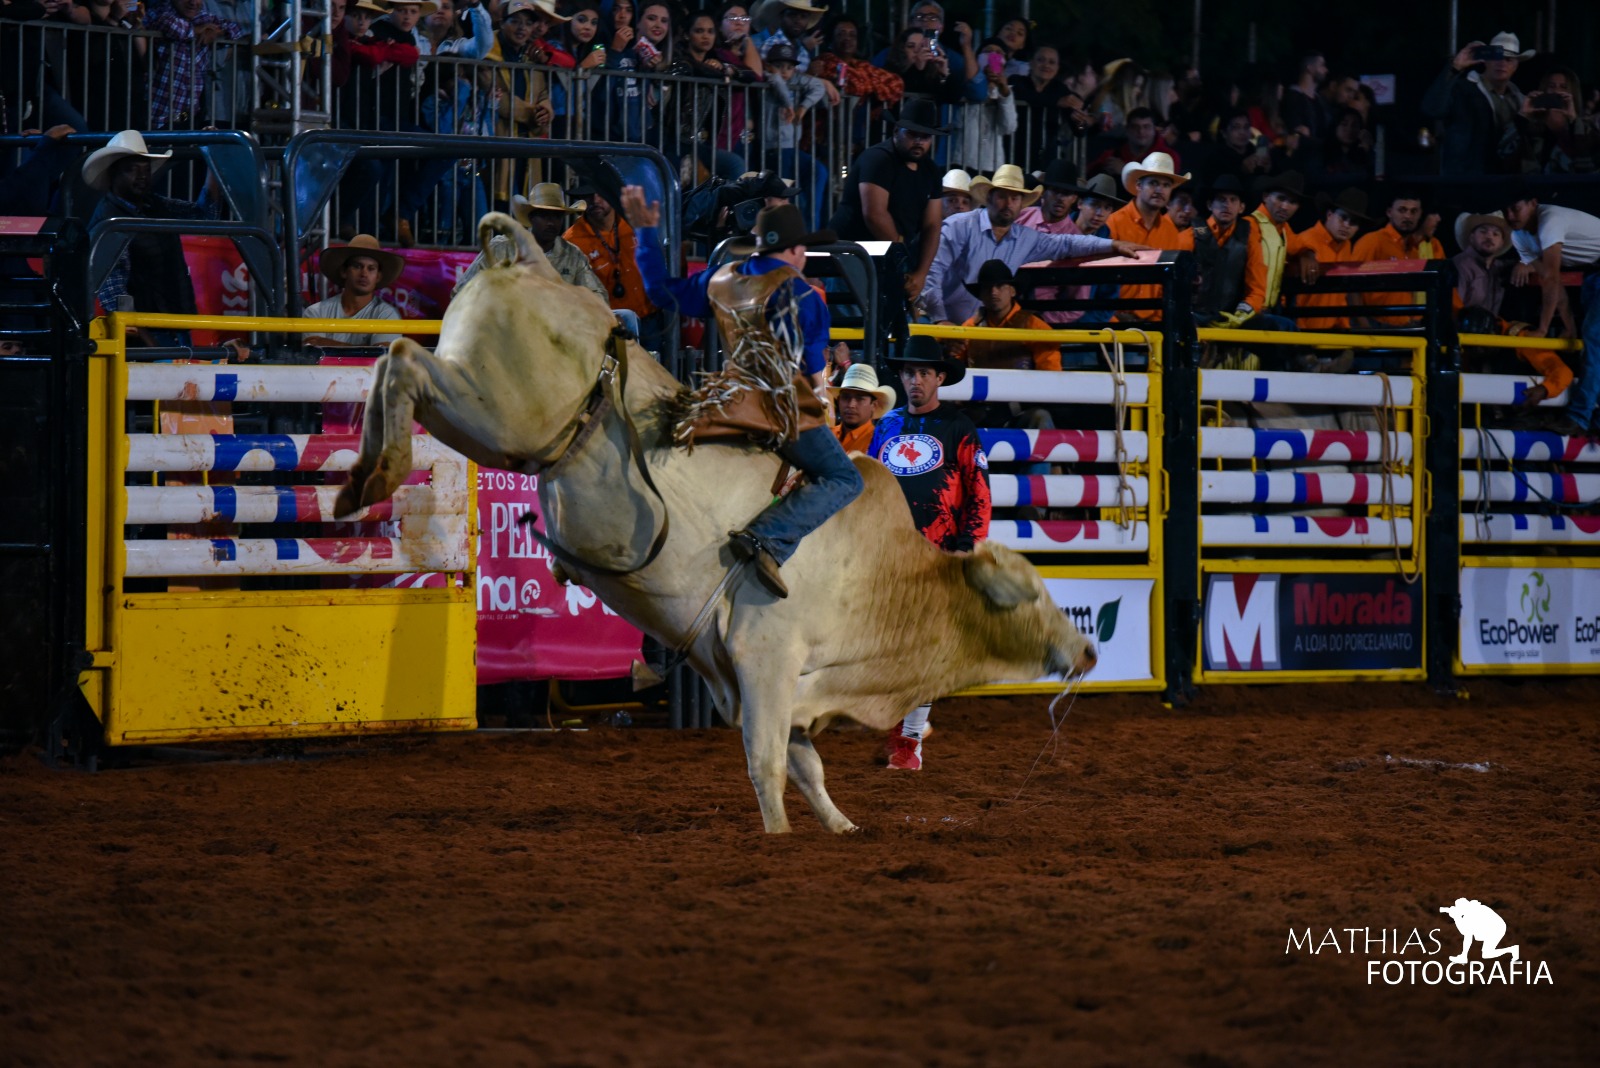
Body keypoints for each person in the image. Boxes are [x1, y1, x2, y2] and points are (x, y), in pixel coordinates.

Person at [626, 191, 863, 597]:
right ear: (793, 249)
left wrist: (646, 234)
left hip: (724, 400)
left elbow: (660, 293)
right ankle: (768, 537)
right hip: (779, 410)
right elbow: (810, 366)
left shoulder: (722, 279)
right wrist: (823, 398)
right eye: (802, 248)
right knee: (845, 478)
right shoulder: (805, 295)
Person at [867, 335, 990, 770]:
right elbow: (870, 486)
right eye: (907, 373)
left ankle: (910, 741)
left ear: (939, 377)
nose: (914, 380)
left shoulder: (959, 427)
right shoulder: (886, 426)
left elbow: (978, 492)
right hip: (888, 553)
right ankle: (904, 729)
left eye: (922, 373)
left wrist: (965, 547)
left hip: (937, 552)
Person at [921, 163, 1137, 326]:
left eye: (1015, 198)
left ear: (1021, 204)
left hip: (983, 330)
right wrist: (939, 320)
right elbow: (933, 272)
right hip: (940, 324)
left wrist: (1112, 245)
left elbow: (1066, 243)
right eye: (1002, 196)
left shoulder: (1024, 237)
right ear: (989, 198)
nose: (1008, 204)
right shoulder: (959, 226)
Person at [85, 129, 242, 353]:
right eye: (132, 169)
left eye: (145, 169)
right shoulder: (109, 219)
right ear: (114, 174)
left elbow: (202, 216)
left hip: (170, 325)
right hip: (148, 332)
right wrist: (146, 338)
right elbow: (113, 288)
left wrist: (212, 159)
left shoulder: (150, 204)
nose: (141, 176)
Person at [829, 97, 949, 308]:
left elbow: (933, 224)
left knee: (884, 327)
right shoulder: (878, 159)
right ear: (896, 131)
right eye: (913, 134)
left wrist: (920, 275)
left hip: (886, 260)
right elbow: (874, 214)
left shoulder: (930, 171)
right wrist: (902, 262)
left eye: (926, 136)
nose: (919, 141)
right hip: (851, 255)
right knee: (851, 326)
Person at [1503, 189, 1600, 434]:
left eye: (1516, 208)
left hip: (1593, 271)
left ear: (1533, 203)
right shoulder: (1519, 236)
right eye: (1506, 210)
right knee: (1591, 339)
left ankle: (1579, 416)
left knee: (1593, 336)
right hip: (1592, 272)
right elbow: (1551, 279)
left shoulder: (1550, 220)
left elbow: (1552, 279)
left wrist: (1543, 328)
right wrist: (1567, 325)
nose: (1511, 215)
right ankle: (1590, 415)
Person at [1421, 32, 1533, 176]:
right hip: (1464, 182)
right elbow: (1432, 108)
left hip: (1503, 184)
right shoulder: (1462, 89)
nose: (1502, 63)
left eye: (1508, 59)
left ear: (1516, 65)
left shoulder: (1520, 101)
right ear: (1485, 60)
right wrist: (1455, 67)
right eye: (1496, 56)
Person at [563, 182, 658, 345]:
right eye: (588, 195)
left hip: (651, 319)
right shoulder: (572, 241)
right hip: (607, 326)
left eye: (600, 193)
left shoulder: (636, 223)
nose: (595, 200)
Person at [1105, 151, 1194, 321]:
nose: (1160, 190)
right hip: (1115, 317)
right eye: (1153, 183)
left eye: (1166, 185)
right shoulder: (1114, 223)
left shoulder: (1170, 231)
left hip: (1155, 319)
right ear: (1138, 186)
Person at [146, 0, 244, 130]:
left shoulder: (203, 18)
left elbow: (235, 28)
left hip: (187, 114)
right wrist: (197, 30)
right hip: (158, 112)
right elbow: (171, 26)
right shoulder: (161, 11)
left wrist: (216, 32)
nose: (193, 2)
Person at [1353, 190, 1443, 328]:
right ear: (1389, 212)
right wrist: (1364, 325)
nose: (1408, 216)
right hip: (1377, 323)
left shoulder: (1413, 248)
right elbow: (1352, 286)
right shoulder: (1373, 241)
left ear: (1420, 215)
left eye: (1414, 211)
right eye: (1402, 210)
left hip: (1407, 324)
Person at [952, 259, 1060, 371]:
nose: (993, 292)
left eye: (1000, 286)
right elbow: (956, 365)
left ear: (1012, 291)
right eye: (987, 287)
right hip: (983, 387)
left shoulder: (1034, 325)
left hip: (1021, 387)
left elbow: (1050, 370)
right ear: (981, 295)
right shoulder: (969, 327)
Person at [303, 234, 405, 347]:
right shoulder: (315, 312)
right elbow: (313, 356)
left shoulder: (387, 314)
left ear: (378, 277)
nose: (364, 274)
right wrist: (366, 349)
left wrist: (330, 345)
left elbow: (381, 357)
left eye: (371, 269)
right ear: (344, 271)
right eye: (357, 266)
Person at [1295, 187, 1370, 333]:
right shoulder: (1305, 241)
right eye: (1343, 218)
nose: (1347, 225)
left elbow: (1340, 296)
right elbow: (1293, 299)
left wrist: (1344, 329)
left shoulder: (1346, 245)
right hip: (1303, 333)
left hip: (1329, 334)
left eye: (1353, 222)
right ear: (1329, 215)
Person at [1089, 106, 1182, 179]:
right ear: (1127, 130)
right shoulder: (1113, 155)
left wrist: (1126, 171)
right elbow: (1088, 177)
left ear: (1155, 129)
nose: (1141, 132)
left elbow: (1162, 189)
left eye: (1146, 127)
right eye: (1135, 127)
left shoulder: (1168, 157)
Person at [830, 362, 896, 453]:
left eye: (859, 398)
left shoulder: (879, 443)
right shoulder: (826, 435)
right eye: (845, 397)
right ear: (838, 400)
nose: (851, 405)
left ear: (874, 405)